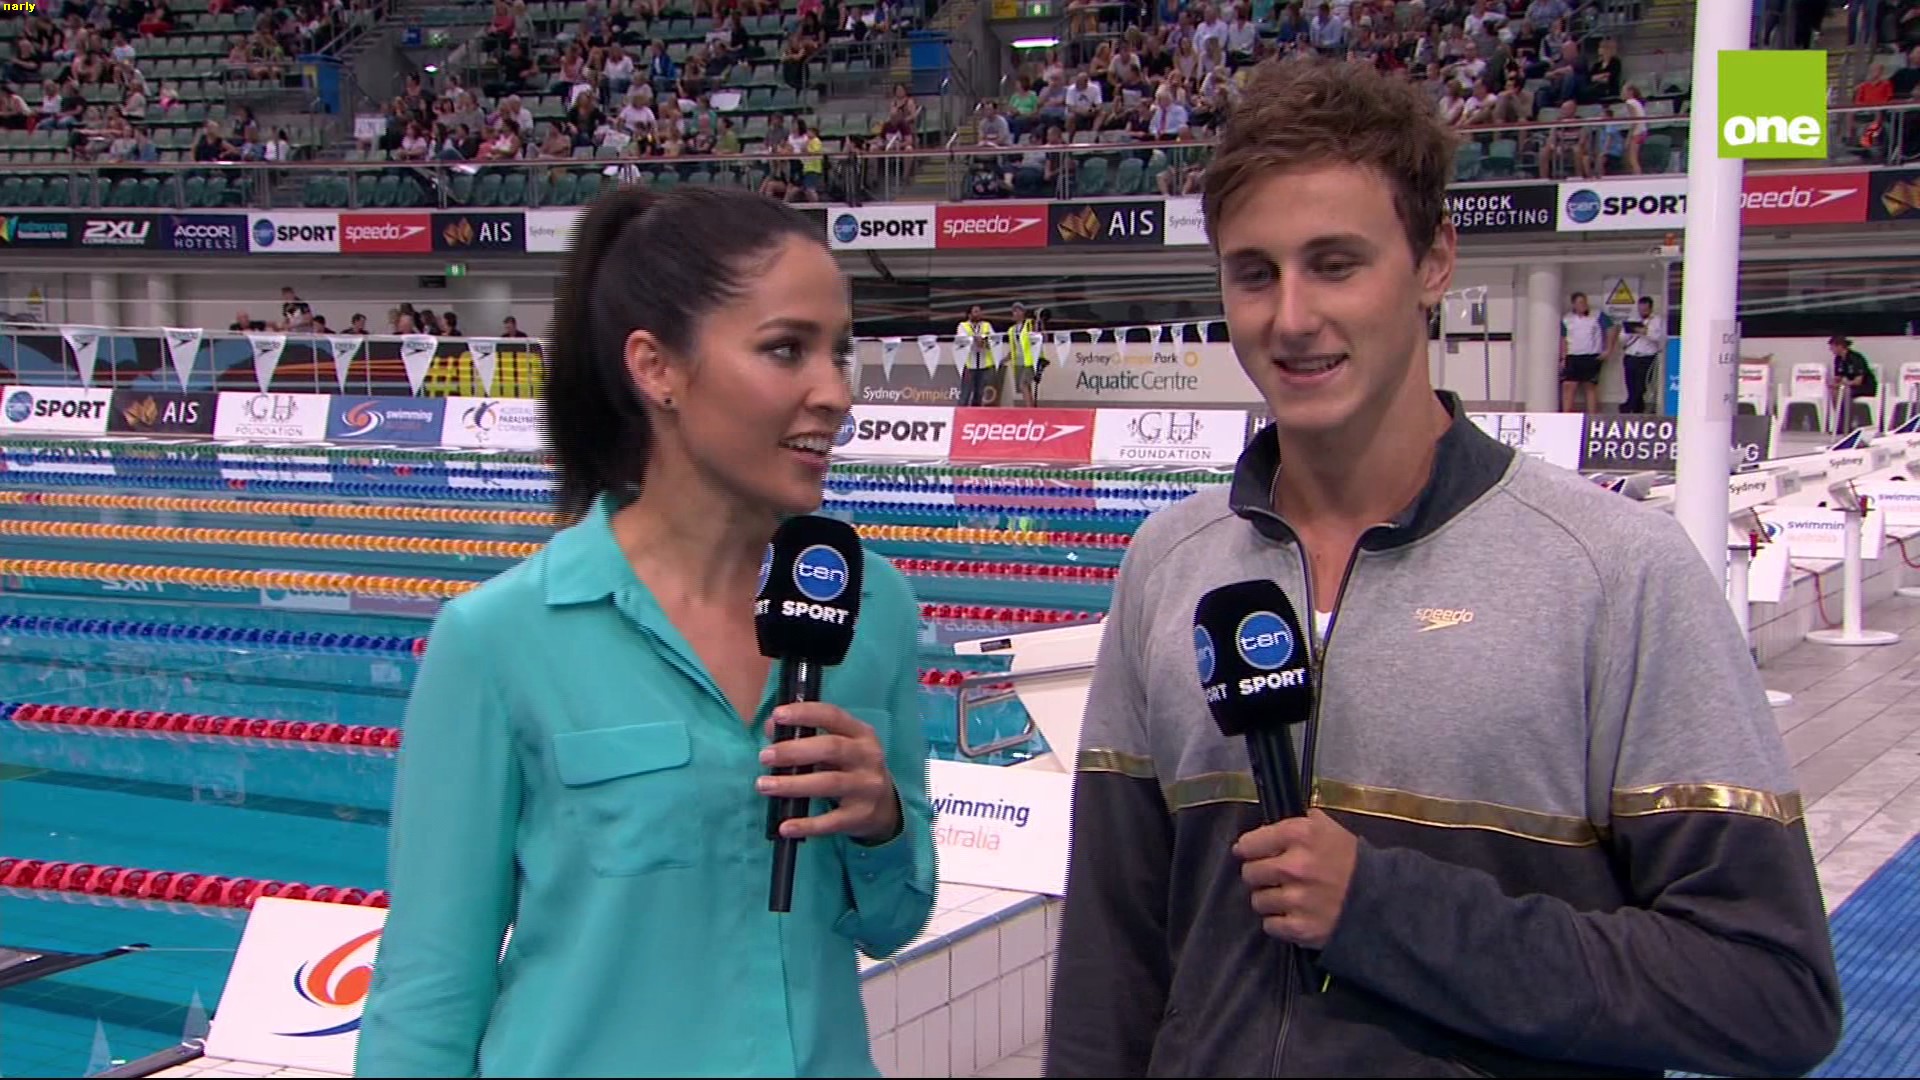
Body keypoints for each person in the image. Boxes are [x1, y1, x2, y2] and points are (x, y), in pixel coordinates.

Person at [1046, 57, 1841, 1079]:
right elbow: (1111, 963)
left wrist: (1385, 910)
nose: (1291, 317)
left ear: (1434, 262)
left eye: (1336, 264)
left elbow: (1772, 991)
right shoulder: (1168, 566)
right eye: (1255, 273)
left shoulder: (1614, 574)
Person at [355, 185, 938, 1078]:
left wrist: (881, 822)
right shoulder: (500, 641)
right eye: (786, 349)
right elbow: (429, 992)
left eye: (840, 352)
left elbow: (895, 919)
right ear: (657, 367)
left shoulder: (872, 606)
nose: (835, 393)